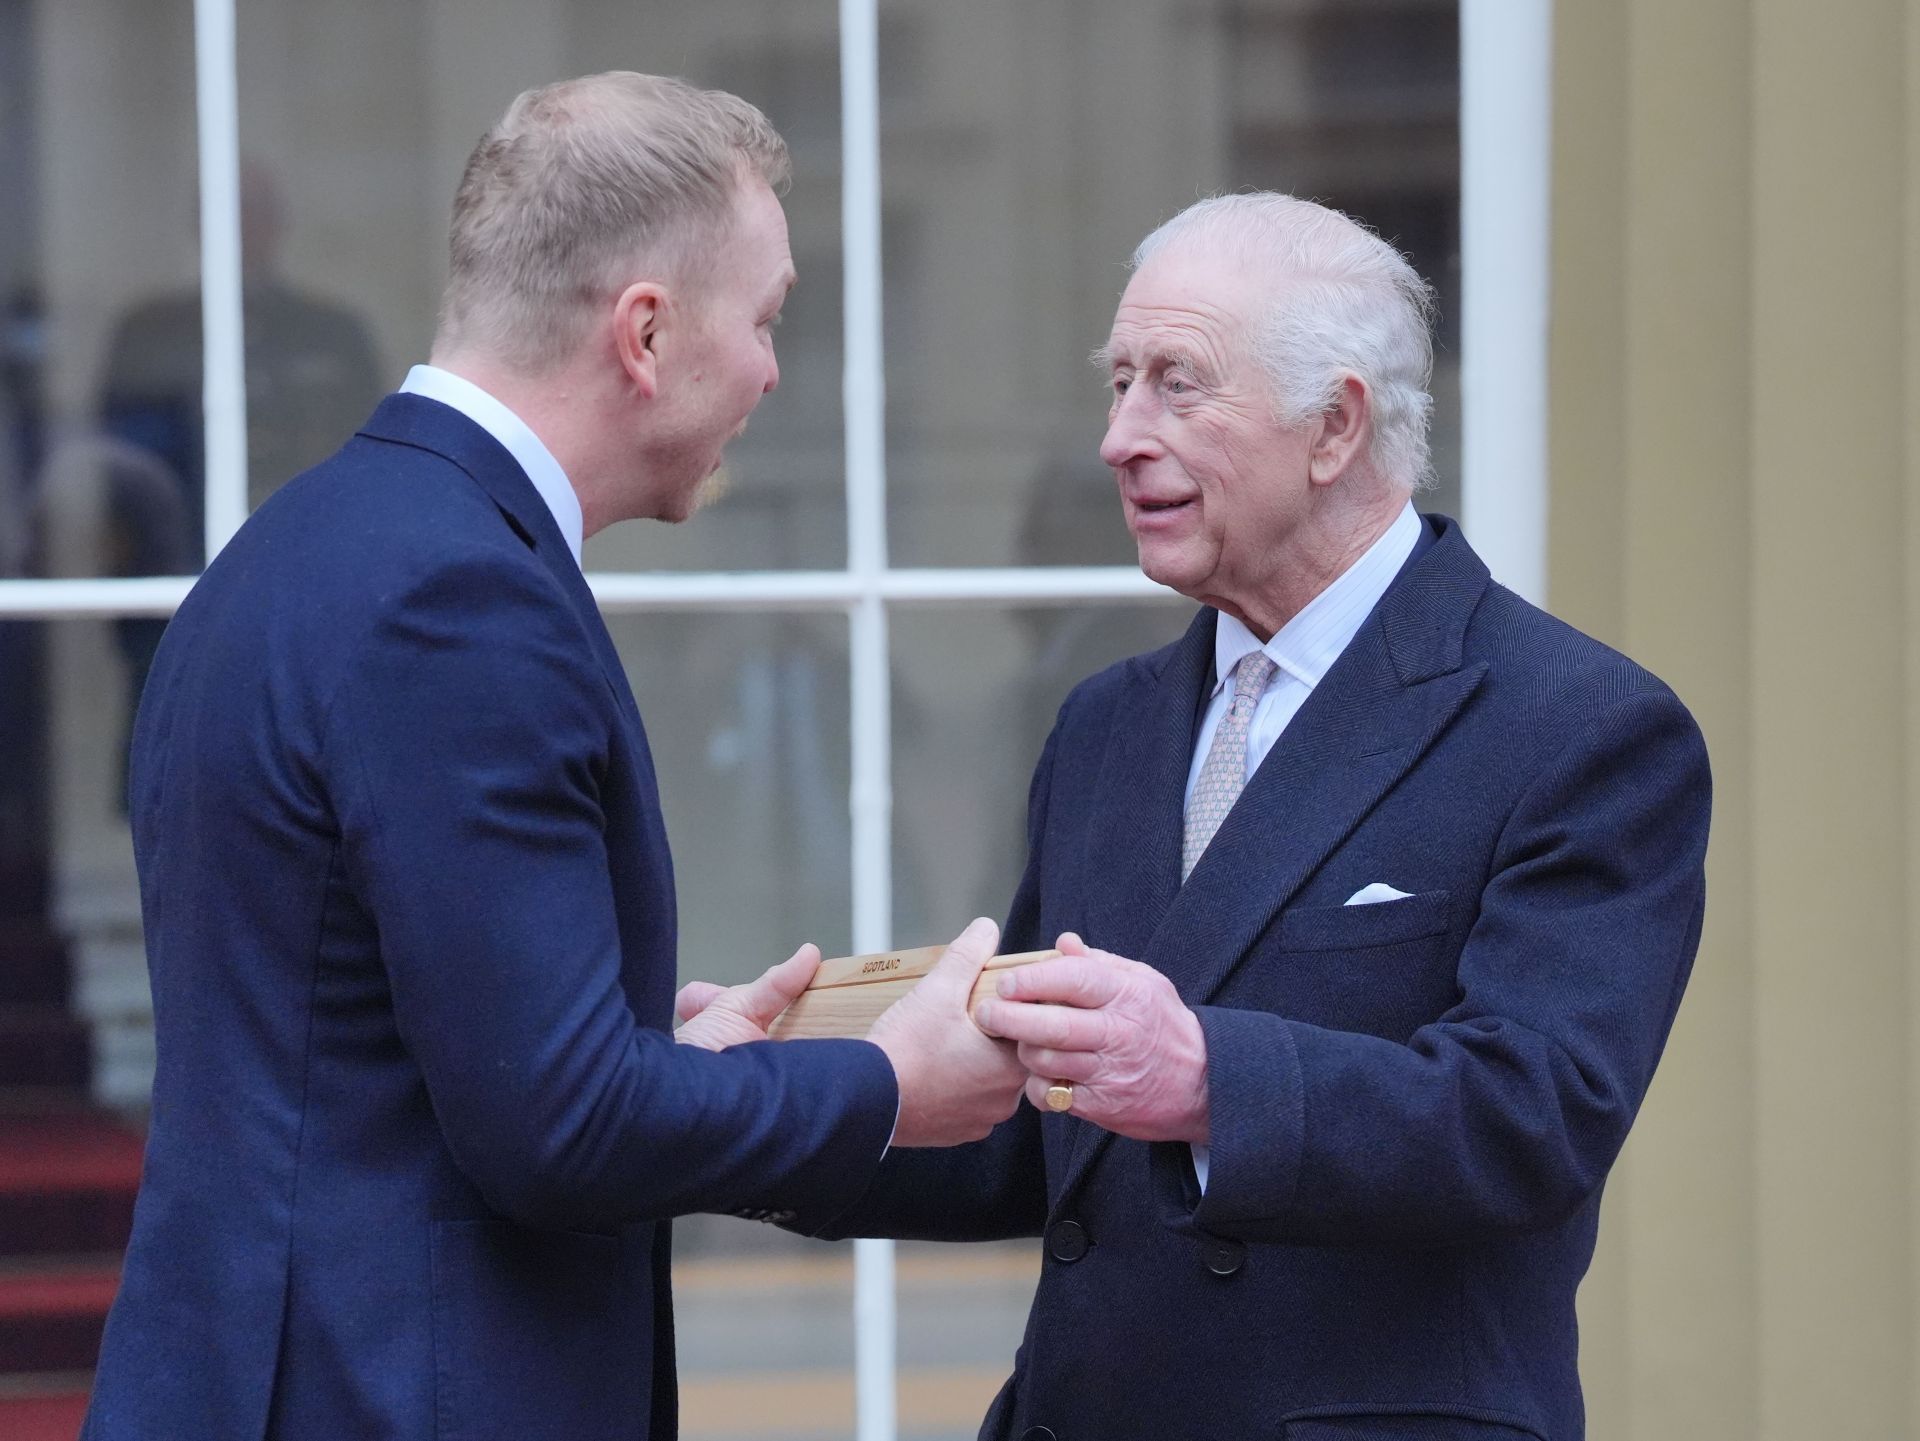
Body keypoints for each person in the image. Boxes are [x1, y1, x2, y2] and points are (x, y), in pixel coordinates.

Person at [81, 72, 1023, 1441]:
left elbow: (398, 1054)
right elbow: (560, 1128)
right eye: (763, 320)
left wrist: (683, 1061)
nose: (771, 367)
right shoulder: (458, 600)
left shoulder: (302, 546)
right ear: (644, 332)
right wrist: (885, 1086)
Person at [764, 194, 1711, 1441]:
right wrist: (758, 1101)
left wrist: (1208, 1076)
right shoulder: (1107, 724)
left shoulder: (1579, 725)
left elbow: (1531, 1117)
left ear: (1335, 427)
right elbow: (1035, 1136)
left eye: (1175, 385)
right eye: (1117, 383)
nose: (1117, 436)